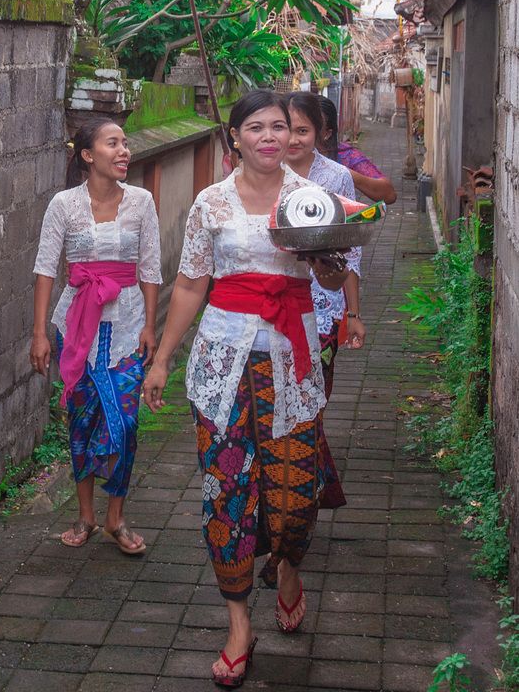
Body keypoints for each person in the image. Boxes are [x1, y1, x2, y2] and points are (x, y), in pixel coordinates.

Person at [142, 90, 347, 687]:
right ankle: (238, 625)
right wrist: (161, 360)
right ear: (234, 138)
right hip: (221, 367)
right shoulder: (211, 202)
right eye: (254, 126)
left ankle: (286, 563)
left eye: (278, 126)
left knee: (295, 496)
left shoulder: (311, 200)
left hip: (292, 364)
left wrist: (327, 251)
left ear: (293, 136)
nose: (267, 136)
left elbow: (333, 273)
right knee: (227, 495)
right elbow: (189, 285)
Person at [30, 118, 161, 554]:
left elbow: (150, 268)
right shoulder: (63, 205)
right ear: (88, 155)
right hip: (76, 327)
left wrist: (149, 325)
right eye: (113, 143)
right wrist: (39, 333)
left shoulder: (142, 202)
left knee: (125, 420)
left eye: (126, 142)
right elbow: (46, 268)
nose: (124, 150)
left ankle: (115, 517)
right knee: (81, 420)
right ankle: (86, 516)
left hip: (126, 325)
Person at [283, 92, 365, 400]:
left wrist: (353, 315)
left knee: (315, 393)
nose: (292, 139)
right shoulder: (263, 173)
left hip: (323, 303)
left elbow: (351, 253)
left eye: (302, 131)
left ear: (320, 133)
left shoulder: (337, 176)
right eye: (285, 128)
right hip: (273, 301)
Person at [318, 96, 397, 205]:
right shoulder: (286, 155)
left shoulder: (344, 156)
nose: (294, 140)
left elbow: (388, 194)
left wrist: (341, 173)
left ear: (327, 133)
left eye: (303, 130)